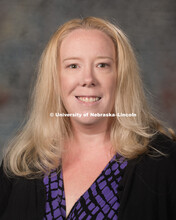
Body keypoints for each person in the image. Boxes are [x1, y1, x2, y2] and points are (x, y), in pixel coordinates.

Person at [0, 16, 176, 220]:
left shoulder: (165, 162)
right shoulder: (22, 163)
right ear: (55, 79)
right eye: (73, 66)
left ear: (121, 77)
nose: (88, 80)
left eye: (102, 65)